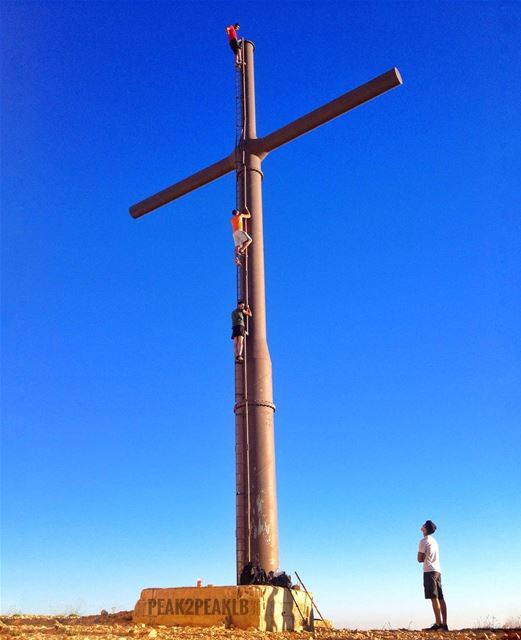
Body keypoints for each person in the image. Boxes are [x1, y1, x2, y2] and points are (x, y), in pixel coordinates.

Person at [418, 520, 448, 631]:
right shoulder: (435, 542)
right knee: (440, 597)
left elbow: (419, 559)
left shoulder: (423, 541)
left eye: (423, 525)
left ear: (425, 528)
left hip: (429, 571)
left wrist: (422, 556)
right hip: (438, 570)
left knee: (434, 597)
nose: (421, 526)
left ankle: (437, 624)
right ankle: (444, 624)